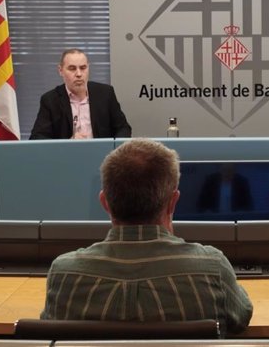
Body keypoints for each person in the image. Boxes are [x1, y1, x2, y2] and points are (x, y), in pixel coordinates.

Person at [41, 138, 253, 334]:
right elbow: (241, 317)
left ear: (105, 203)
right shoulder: (212, 269)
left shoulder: (63, 274)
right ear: (173, 202)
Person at [30, 48, 132, 139]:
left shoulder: (105, 94)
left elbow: (123, 128)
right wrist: (67, 144)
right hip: (67, 157)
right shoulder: (50, 100)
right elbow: (37, 137)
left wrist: (113, 149)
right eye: (72, 68)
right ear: (60, 70)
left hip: (102, 155)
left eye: (83, 68)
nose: (79, 74)